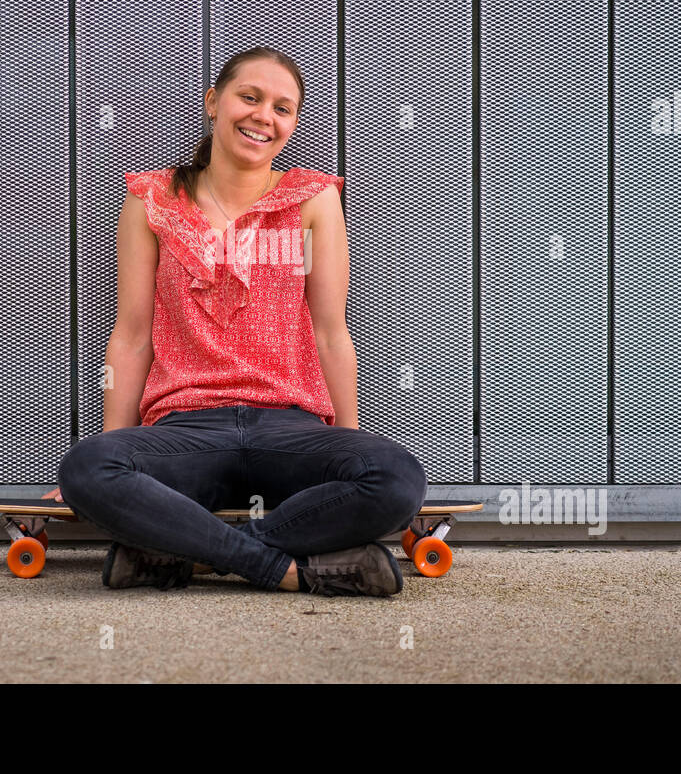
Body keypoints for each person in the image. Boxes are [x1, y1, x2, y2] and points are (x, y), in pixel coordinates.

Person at [50, 46, 427, 596]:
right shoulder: (152, 199)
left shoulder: (314, 198)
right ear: (213, 102)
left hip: (290, 426)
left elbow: (330, 331)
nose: (263, 117)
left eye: (282, 107)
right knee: (87, 469)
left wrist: (345, 447)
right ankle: (289, 569)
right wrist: (116, 445)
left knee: (397, 478)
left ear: (293, 123)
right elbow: (130, 337)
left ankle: (187, 555)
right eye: (249, 98)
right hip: (185, 428)